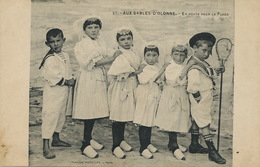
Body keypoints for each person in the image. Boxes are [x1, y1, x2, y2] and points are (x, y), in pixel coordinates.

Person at [72, 17, 120, 159]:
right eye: (90, 28)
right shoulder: (82, 44)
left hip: (97, 78)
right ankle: (85, 144)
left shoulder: (99, 41)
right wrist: (112, 58)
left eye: (96, 27)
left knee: (94, 109)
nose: (93, 30)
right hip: (88, 78)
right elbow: (89, 63)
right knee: (88, 110)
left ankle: (89, 138)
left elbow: (105, 52)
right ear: (85, 30)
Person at [186, 32, 226, 164]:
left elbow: (209, 73)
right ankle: (212, 151)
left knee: (197, 120)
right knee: (204, 122)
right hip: (200, 97)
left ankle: (194, 144)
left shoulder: (201, 62)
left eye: (208, 51)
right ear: (194, 48)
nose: (206, 54)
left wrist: (218, 70)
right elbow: (192, 87)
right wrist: (199, 99)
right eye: (203, 50)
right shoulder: (194, 65)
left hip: (205, 96)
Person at [39, 28, 75, 159]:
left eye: (58, 41)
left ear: (63, 41)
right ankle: (45, 146)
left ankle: (56, 138)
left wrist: (72, 80)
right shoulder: (50, 59)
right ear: (47, 44)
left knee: (61, 115)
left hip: (63, 92)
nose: (56, 44)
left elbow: (68, 70)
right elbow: (52, 77)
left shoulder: (65, 55)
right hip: (53, 93)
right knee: (50, 116)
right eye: (52, 42)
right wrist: (67, 81)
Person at [107, 27, 143, 159]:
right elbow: (121, 71)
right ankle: (115, 145)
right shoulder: (119, 54)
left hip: (131, 84)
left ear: (132, 40)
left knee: (126, 114)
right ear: (118, 42)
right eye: (122, 39)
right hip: (121, 86)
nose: (126, 41)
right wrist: (137, 72)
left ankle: (121, 140)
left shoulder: (134, 52)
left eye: (128, 38)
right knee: (118, 115)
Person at [155, 43, 193, 160]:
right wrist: (187, 68)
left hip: (181, 94)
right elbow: (177, 80)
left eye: (182, 55)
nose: (179, 58)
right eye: (176, 54)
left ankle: (173, 143)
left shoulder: (183, 66)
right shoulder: (170, 66)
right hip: (172, 94)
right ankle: (174, 145)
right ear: (171, 55)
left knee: (179, 118)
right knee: (172, 118)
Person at [133, 45, 168, 159]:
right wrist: (163, 68)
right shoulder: (143, 67)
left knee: (149, 121)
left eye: (154, 55)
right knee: (144, 121)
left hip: (153, 95)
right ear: (144, 56)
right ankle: (142, 148)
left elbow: (160, 80)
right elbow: (149, 79)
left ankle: (147, 143)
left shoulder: (157, 66)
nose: (151, 58)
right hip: (144, 95)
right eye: (148, 55)